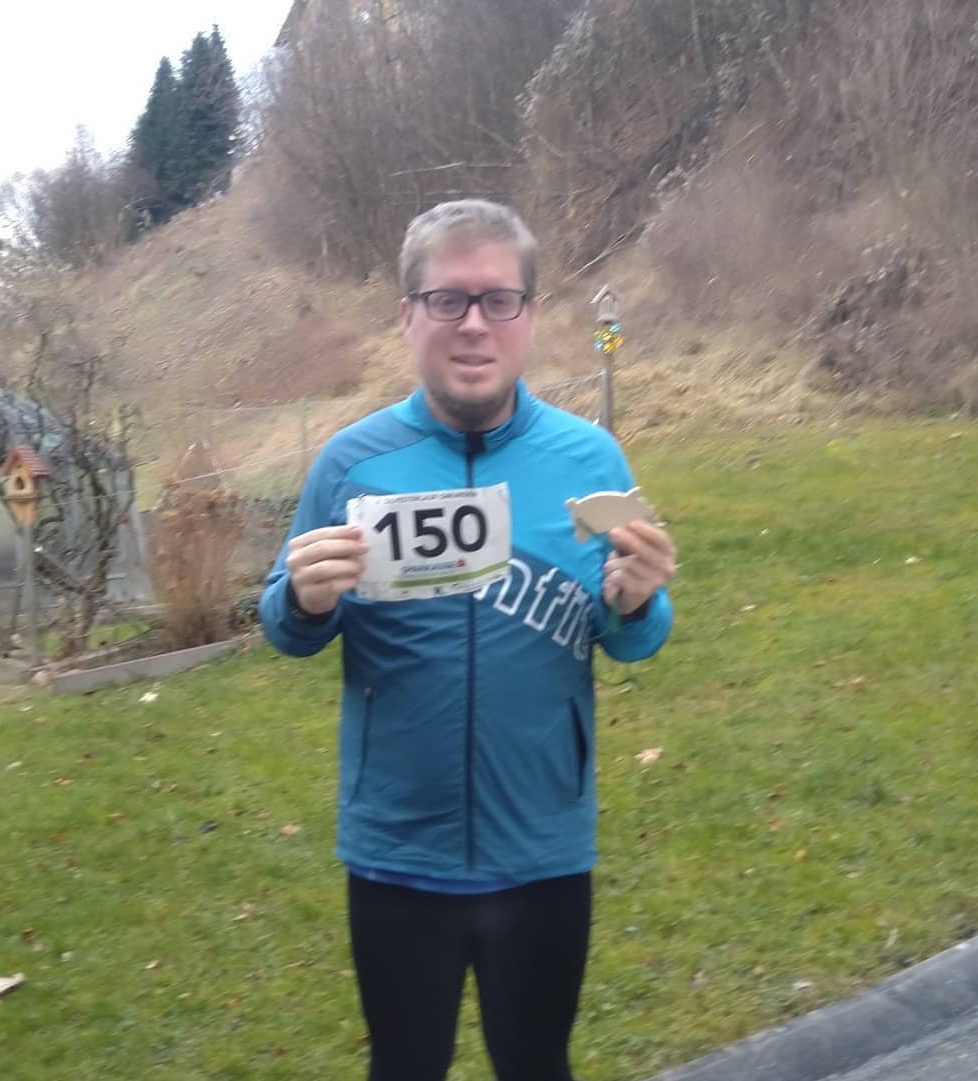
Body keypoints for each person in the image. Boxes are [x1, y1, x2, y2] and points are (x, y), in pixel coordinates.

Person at [260, 199, 675, 1081]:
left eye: (499, 299)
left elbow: (633, 635)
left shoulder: (592, 461)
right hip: (398, 852)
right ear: (407, 315)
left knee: (537, 1064)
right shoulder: (350, 464)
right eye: (448, 299)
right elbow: (285, 625)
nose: (475, 324)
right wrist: (301, 599)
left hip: (543, 848)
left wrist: (637, 603)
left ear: (531, 316)